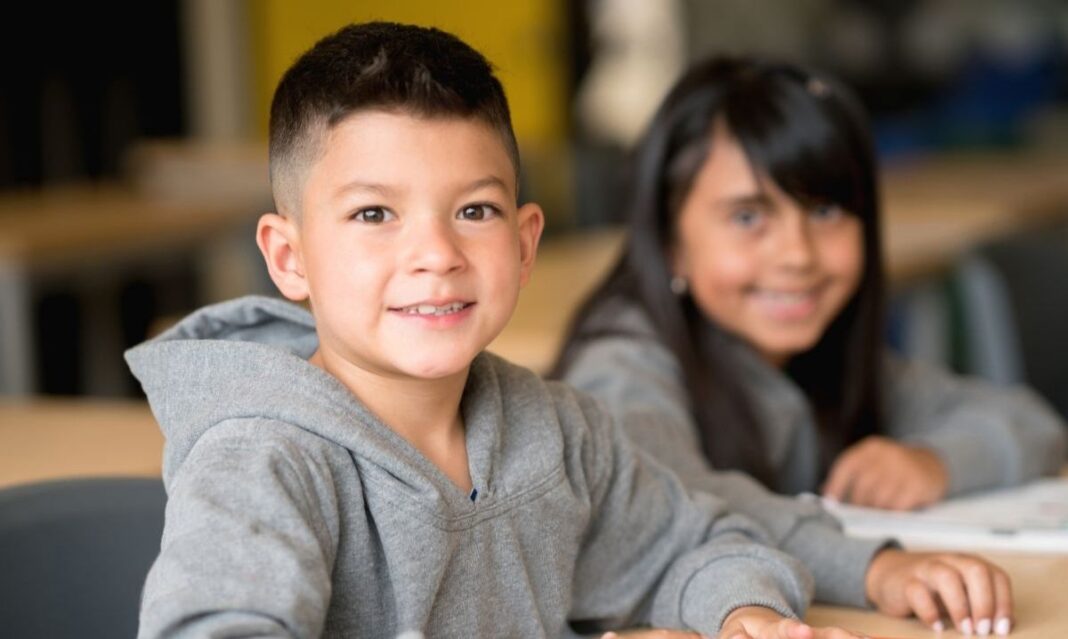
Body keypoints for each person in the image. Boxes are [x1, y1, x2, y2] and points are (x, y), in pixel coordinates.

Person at [124, 23, 877, 639]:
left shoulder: (560, 433)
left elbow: (702, 544)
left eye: (474, 210)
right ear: (289, 259)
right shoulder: (262, 461)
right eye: (374, 214)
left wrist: (744, 613)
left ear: (522, 245)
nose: (437, 256)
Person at [554, 55, 1063, 636]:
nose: (797, 255)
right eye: (748, 216)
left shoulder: (819, 352)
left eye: (825, 210)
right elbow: (679, 504)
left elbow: (1027, 421)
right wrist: (875, 568)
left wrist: (933, 463)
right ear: (671, 242)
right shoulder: (621, 366)